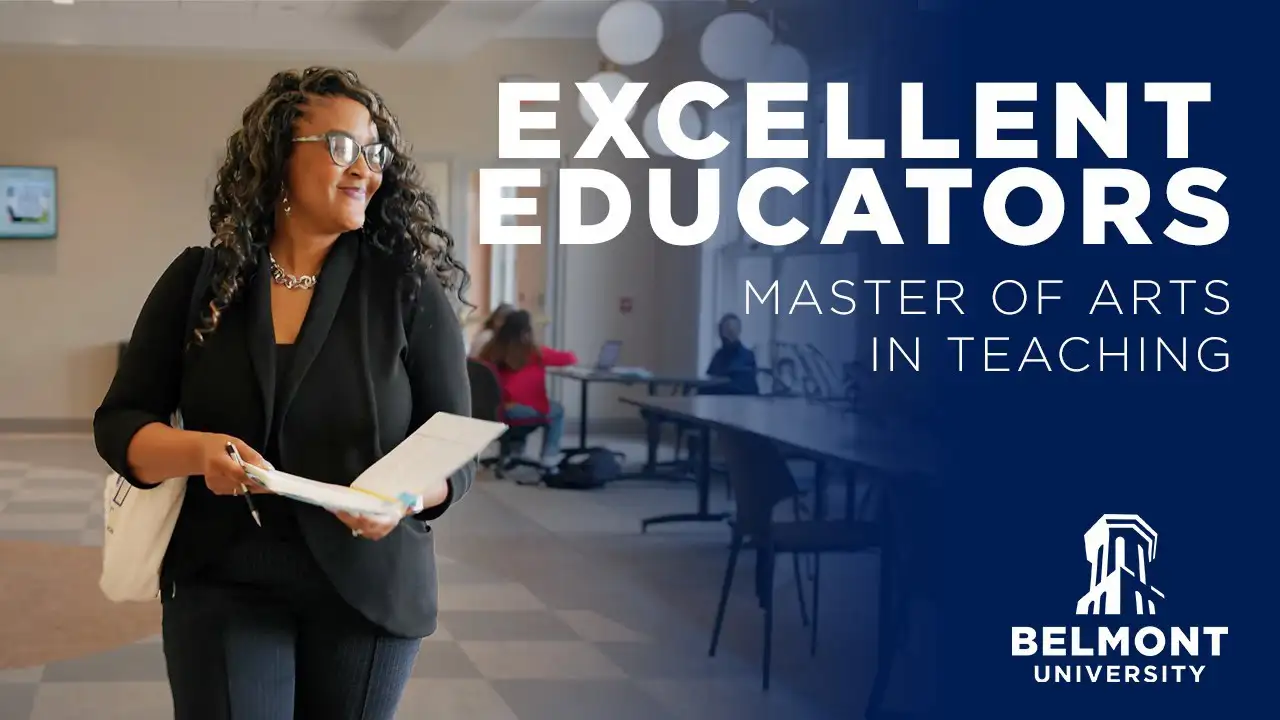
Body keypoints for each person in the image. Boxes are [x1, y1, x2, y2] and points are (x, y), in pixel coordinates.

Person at [93, 67, 472, 720]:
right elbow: (122, 423)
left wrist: (406, 494)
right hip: (223, 577)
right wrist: (197, 451)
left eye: (375, 153)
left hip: (370, 585)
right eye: (342, 148)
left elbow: (454, 444)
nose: (366, 170)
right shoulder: (199, 280)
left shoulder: (404, 290)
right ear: (277, 157)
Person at [477, 310, 576, 468]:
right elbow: (569, 358)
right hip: (514, 412)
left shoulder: (489, 350)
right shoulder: (533, 352)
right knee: (556, 410)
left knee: (529, 402)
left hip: (491, 411)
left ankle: (515, 452)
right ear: (526, 331)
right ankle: (549, 457)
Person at [702, 313, 760, 395]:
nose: (728, 335)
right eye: (726, 331)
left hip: (739, 401)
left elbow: (744, 387)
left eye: (731, 331)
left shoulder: (747, 356)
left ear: (738, 331)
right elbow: (710, 379)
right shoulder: (718, 355)